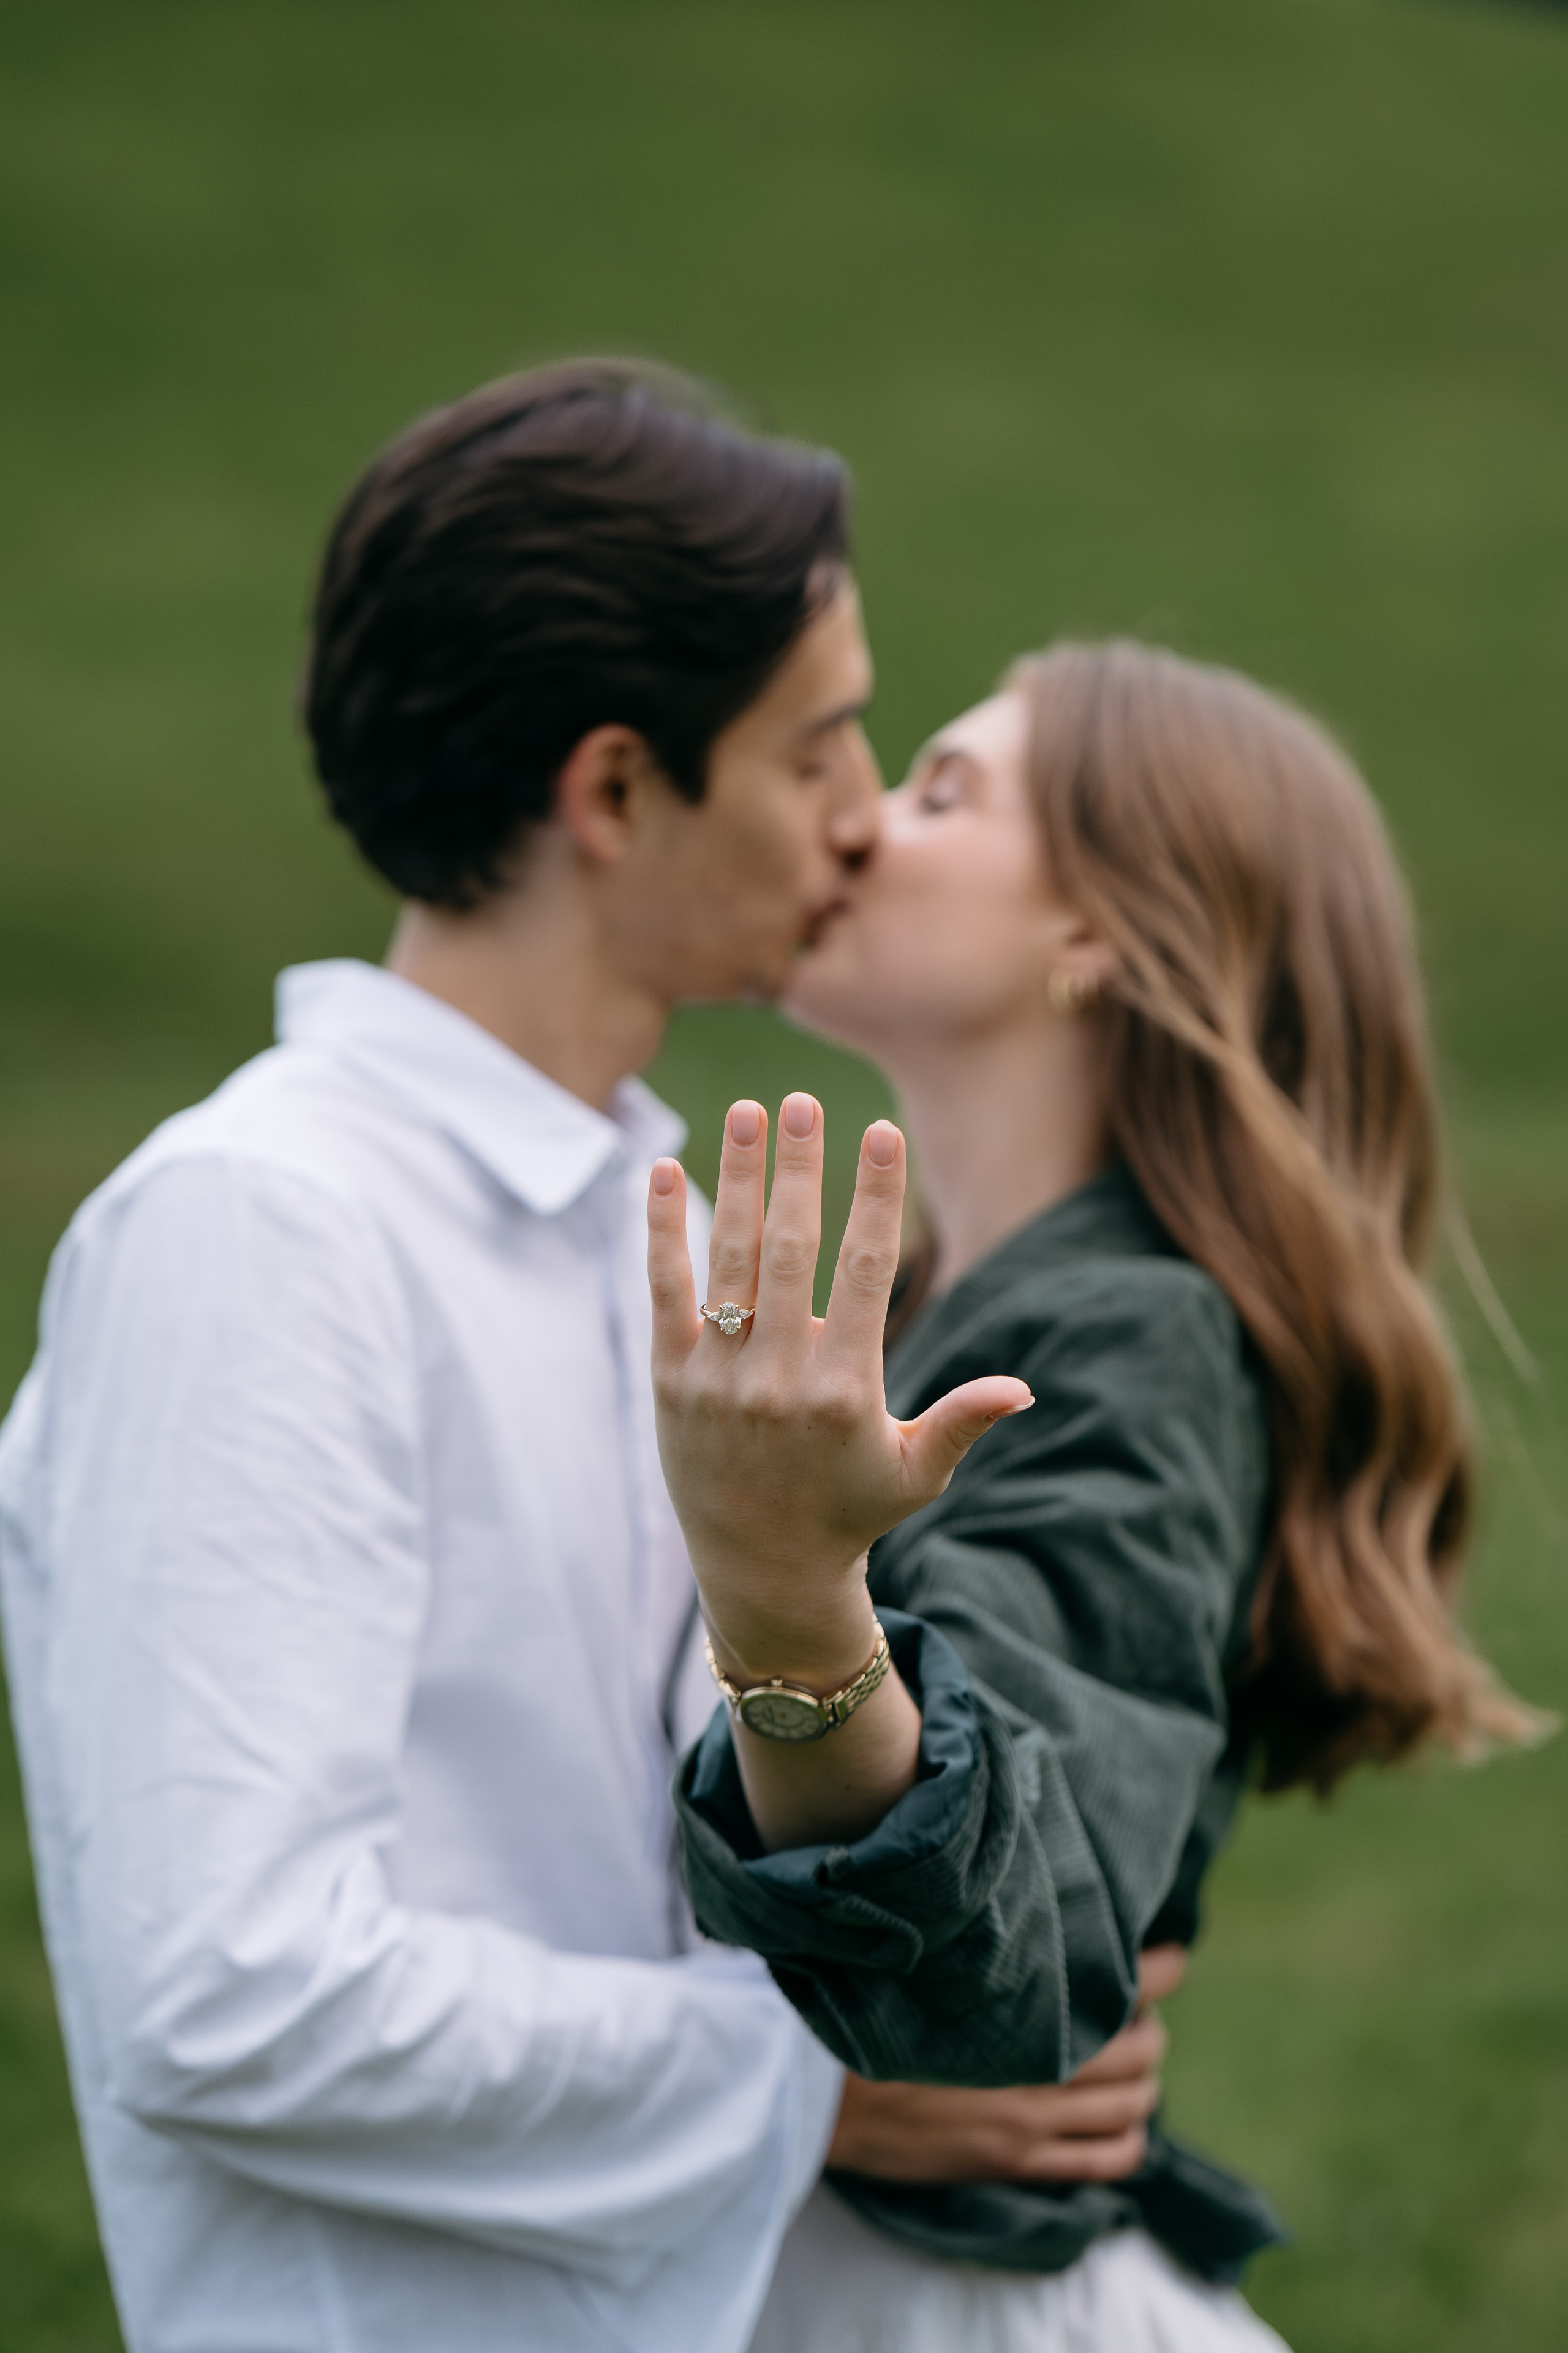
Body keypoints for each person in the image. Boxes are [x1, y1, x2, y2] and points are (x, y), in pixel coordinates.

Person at [0, 368, 1171, 2353]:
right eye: (815, 747)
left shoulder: (663, 1214)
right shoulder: (258, 1226)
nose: (869, 809)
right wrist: (809, 2086)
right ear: (615, 790)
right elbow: (230, 1994)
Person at [649, 641, 1539, 2349]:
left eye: (942, 790)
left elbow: (1007, 1948)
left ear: (1099, 936)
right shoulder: (924, 1308)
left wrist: (785, 1593)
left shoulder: (1131, 1337)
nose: (854, 823)